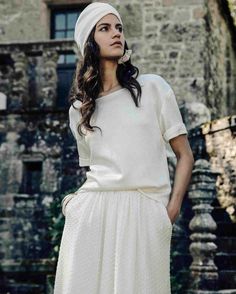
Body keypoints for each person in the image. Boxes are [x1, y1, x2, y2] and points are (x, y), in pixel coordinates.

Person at [53, 2, 194, 294]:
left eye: (119, 27)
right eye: (104, 28)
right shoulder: (80, 109)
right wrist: (74, 207)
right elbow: (95, 169)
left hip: (144, 212)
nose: (116, 33)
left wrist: (169, 212)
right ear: (90, 41)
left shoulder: (154, 88)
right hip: (92, 216)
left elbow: (185, 155)